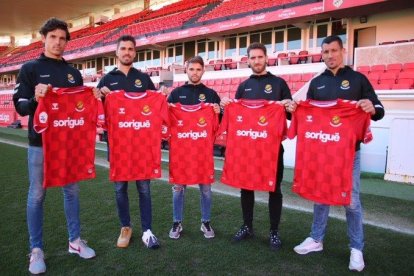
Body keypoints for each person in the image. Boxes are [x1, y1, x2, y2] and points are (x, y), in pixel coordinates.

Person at [292, 35, 385, 272]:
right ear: (321, 54)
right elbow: (308, 115)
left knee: (351, 201)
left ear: (343, 51)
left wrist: (371, 108)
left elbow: (379, 109)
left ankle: (356, 248)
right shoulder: (316, 82)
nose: (330, 56)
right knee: (321, 196)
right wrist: (293, 110)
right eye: (325, 52)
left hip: (348, 153)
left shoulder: (357, 79)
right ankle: (316, 239)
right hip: (321, 152)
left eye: (334, 50)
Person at [13, 18, 96, 275]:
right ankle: (36, 249)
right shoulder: (29, 68)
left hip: (68, 144)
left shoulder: (74, 73)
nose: (58, 42)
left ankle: (75, 241)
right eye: (53, 37)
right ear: (44, 39)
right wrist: (36, 100)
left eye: (62, 38)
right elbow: (20, 106)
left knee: (72, 191)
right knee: (37, 194)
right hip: (40, 143)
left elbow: (79, 108)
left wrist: (92, 98)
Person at [221, 42, 294, 250]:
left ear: (266, 58)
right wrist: (227, 106)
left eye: (260, 57)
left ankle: (274, 232)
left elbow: (289, 114)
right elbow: (236, 117)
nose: (256, 61)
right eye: (252, 58)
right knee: (246, 186)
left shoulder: (279, 84)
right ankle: (247, 226)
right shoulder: (244, 86)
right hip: (248, 148)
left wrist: (289, 107)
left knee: (274, 189)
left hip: (271, 149)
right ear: (248, 60)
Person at [97, 35, 160, 249]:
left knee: (144, 188)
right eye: (123, 48)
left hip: (141, 146)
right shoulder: (106, 80)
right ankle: (125, 226)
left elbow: (155, 105)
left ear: (135, 53)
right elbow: (97, 108)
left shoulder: (143, 78)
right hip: (118, 147)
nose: (127, 52)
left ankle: (147, 230)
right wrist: (100, 96)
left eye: (130, 49)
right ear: (116, 52)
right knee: (119, 189)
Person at [167, 56, 221, 239]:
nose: (195, 73)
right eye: (192, 69)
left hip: (202, 153)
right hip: (181, 153)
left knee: (205, 189)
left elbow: (218, 123)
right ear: (186, 70)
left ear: (203, 71)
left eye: (198, 69)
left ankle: (206, 222)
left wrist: (217, 112)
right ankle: (177, 222)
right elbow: (166, 120)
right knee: (178, 189)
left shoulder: (212, 95)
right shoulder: (175, 94)